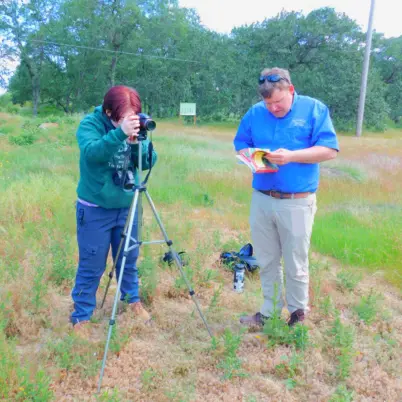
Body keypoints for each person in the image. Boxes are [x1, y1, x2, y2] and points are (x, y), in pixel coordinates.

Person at [233, 67, 339, 327]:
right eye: (268, 103)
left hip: (297, 201)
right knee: (267, 259)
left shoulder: (314, 109)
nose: (273, 108)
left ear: (290, 90)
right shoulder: (255, 113)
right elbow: (240, 144)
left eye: (278, 102)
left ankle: (297, 316)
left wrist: (291, 156)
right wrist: (255, 157)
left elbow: (329, 150)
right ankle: (268, 313)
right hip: (262, 197)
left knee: (295, 261)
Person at [71, 85, 157, 332]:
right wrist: (120, 133)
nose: (129, 120)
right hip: (95, 207)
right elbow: (92, 153)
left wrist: (137, 143)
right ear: (109, 112)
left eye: (134, 115)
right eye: (123, 117)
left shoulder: (134, 126)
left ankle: (132, 301)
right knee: (92, 263)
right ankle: (82, 316)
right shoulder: (90, 125)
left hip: (127, 206)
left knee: (129, 258)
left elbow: (149, 162)